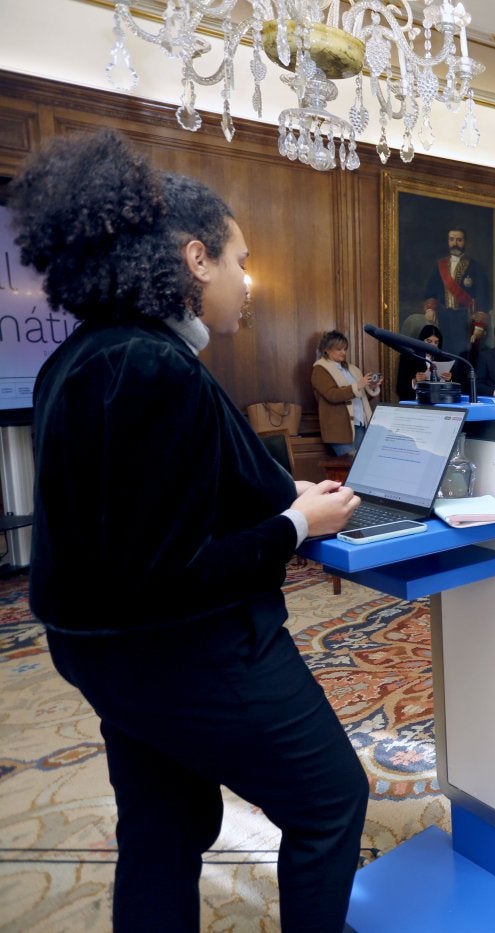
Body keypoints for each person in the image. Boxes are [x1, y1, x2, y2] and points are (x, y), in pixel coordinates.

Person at [16, 129, 367, 930]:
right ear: (196, 258)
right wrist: (293, 523)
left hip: (105, 653)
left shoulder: (87, 355)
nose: (250, 283)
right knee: (329, 800)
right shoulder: (149, 365)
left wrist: (283, 494)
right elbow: (167, 568)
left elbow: (150, 502)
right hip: (187, 651)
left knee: (169, 824)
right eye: (240, 260)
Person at [420, 226, 489, 357]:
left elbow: (482, 297)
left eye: (459, 240)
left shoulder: (476, 267)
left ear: (465, 242)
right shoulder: (439, 265)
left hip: (465, 319)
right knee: (443, 352)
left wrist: (479, 325)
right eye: (452, 239)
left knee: (463, 355)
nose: (455, 243)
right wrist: (430, 309)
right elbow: (430, 291)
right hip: (443, 317)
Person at [312, 328, 381, 456]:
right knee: (350, 466)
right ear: (326, 349)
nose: (343, 352)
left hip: (360, 423)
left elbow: (360, 398)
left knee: (359, 465)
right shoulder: (320, 369)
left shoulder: (352, 369)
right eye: (339, 349)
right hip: (338, 429)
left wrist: (370, 387)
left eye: (345, 349)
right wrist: (358, 385)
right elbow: (332, 395)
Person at [395, 323, 444, 402]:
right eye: (429, 341)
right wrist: (414, 381)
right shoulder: (408, 357)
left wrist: (448, 379)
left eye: (436, 342)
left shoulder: (442, 359)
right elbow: (400, 389)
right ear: (421, 341)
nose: (433, 345)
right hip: (416, 405)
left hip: (439, 403)